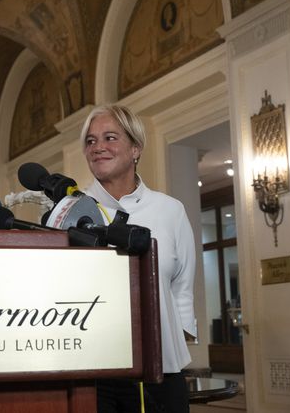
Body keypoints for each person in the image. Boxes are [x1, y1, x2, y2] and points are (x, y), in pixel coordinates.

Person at [80, 104, 196, 413]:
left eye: (110, 137)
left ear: (136, 148)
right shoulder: (68, 211)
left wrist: (170, 345)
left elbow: (182, 288)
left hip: (161, 372)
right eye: (90, 141)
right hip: (91, 374)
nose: (98, 147)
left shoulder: (170, 210)